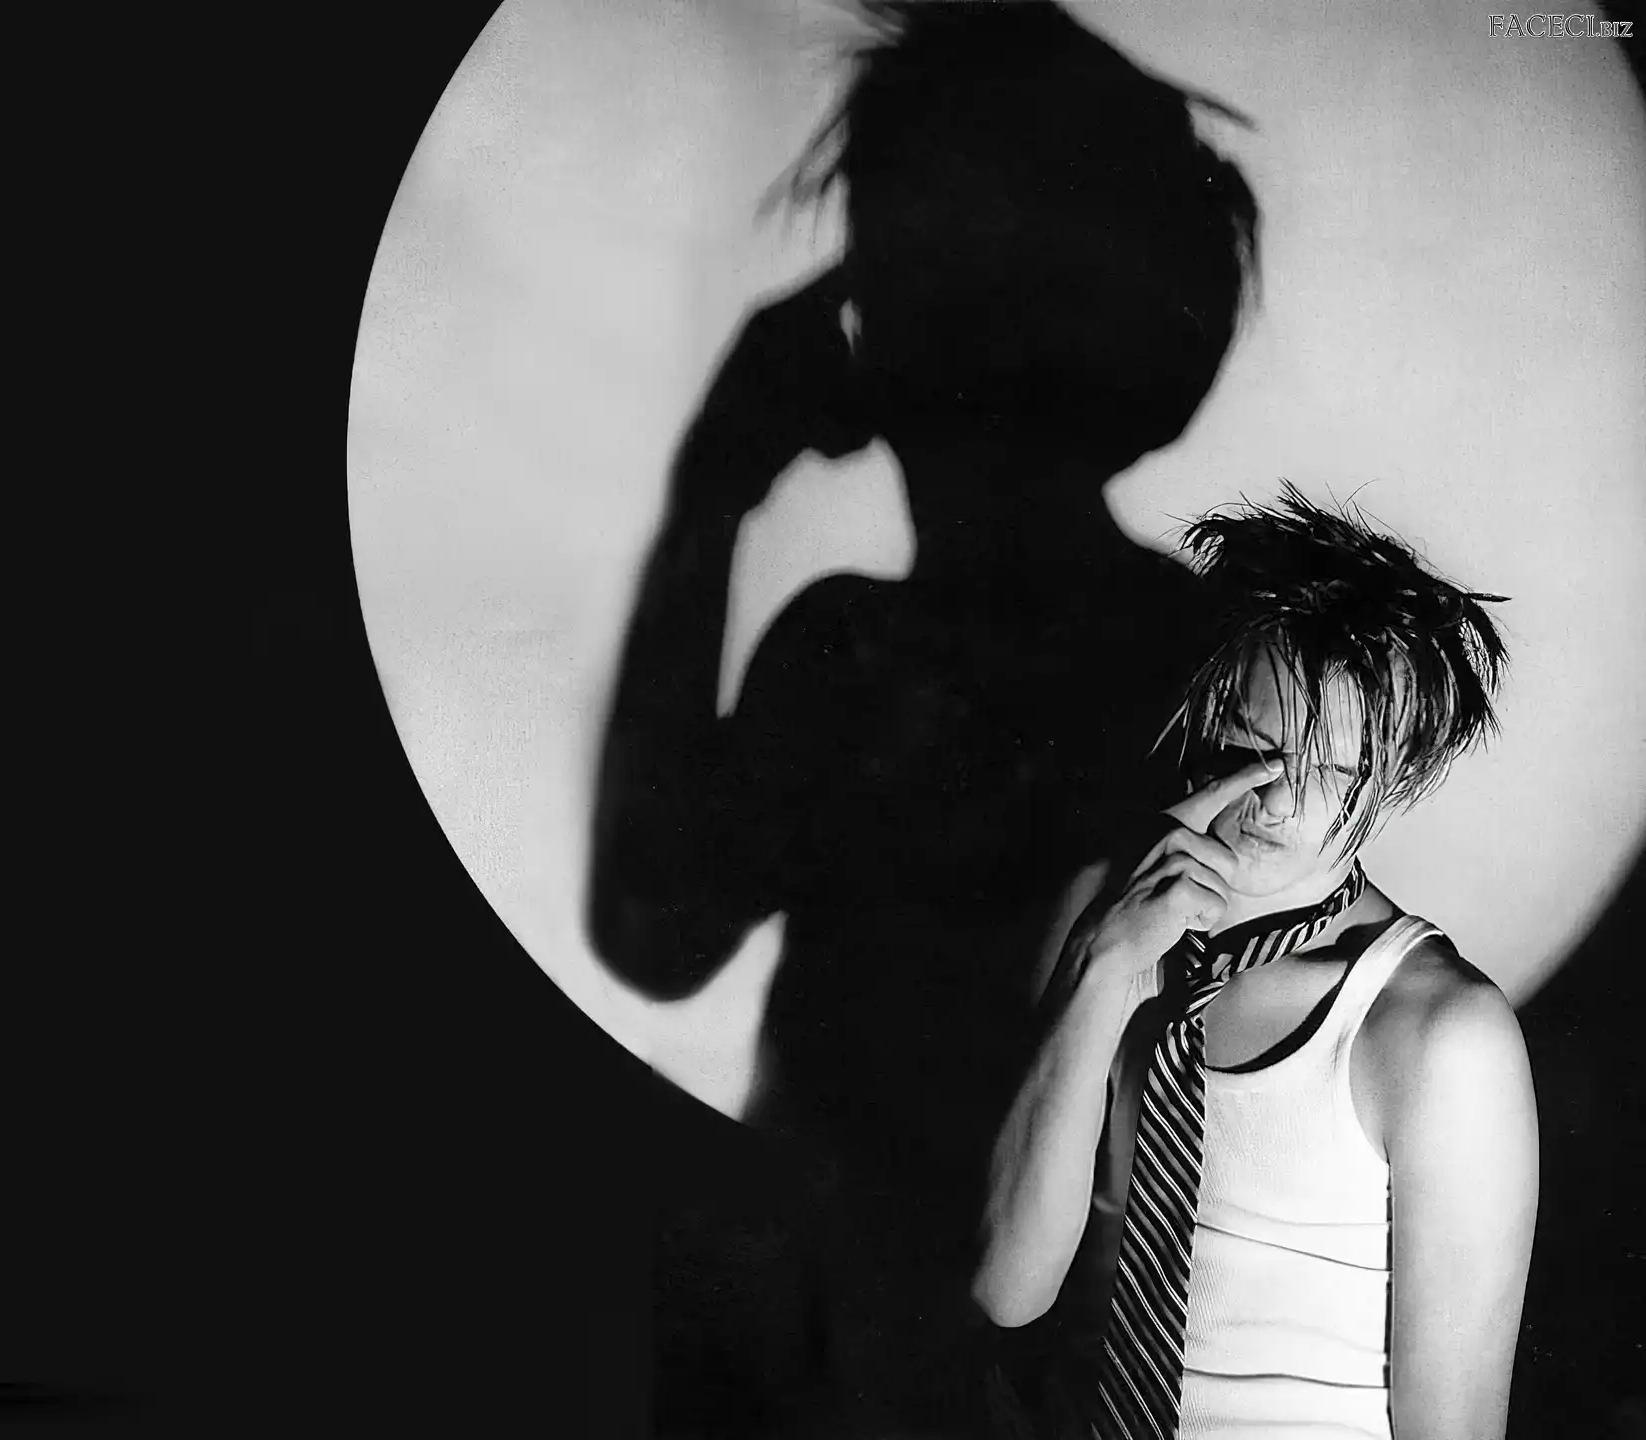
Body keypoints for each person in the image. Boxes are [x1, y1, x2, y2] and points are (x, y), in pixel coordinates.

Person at [587, 2, 1261, 1434]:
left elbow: (652, 927)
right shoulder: (1195, 655)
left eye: (897, 243)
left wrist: (713, 493)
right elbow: (652, 932)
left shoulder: (864, 655)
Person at [972, 484, 1538, 1440]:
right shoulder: (1106, 916)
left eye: (1334, 771)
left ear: (1393, 777)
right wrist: (1104, 970)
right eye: (1259, 749)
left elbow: (1456, 1429)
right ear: (1206, 712)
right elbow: (1007, 1290)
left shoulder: (1439, 1033)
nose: (1280, 800)